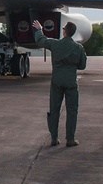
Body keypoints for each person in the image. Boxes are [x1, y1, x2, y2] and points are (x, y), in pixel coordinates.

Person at [32, 19, 87, 147]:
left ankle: (54, 137)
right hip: (71, 82)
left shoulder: (55, 44)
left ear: (64, 32)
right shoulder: (78, 47)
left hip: (56, 81)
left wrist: (39, 30)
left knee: (54, 108)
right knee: (72, 110)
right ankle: (70, 139)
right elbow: (82, 65)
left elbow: (41, 41)